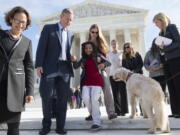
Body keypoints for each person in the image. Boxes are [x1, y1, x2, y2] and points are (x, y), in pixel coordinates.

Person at [35, 8, 76, 135]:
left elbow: (65, 51)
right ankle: (46, 127)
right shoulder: (48, 28)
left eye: (71, 20)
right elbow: (41, 46)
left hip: (64, 69)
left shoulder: (70, 34)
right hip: (50, 68)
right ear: (61, 16)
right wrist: (39, 65)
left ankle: (60, 127)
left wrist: (71, 57)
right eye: (67, 19)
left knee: (63, 100)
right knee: (47, 98)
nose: (69, 22)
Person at [0, 6, 34, 135]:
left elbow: (29, 67)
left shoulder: (27, 42)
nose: (20, 24)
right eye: (17, 20)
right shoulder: (1, 35)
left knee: (14, 129)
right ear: (11, 19)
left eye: (23, 22)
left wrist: (30, 91)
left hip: (16, 90)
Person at [73, 41, 111, 131]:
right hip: (86, 82)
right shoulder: (83, 58)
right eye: (86, 48)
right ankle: (94, 114)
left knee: (94, 99)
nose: (88, 50)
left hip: (97, 81)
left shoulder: (97, 56)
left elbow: (108, 63)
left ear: (93, 48)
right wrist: (74, 60)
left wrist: (103, 64)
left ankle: (96, 123)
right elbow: (75, 66)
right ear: (84, 50)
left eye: (90, 48)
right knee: (85, 98)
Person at [85, 24, 117, 121]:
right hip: (90, 71)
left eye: (96, 32)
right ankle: (93, 113)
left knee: (107, 88)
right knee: (89, 93)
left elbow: (107, 60)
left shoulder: (101, 44)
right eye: (93, 32)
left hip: (100, 70)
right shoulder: (86, 44)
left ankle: (111, 112)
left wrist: (103, 65)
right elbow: (84, 57)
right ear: (90, 32)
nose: (94, 34)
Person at [153, 12, 180, 118]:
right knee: (171, 86)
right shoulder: (160, 34)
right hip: (167, 61)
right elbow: (163, 48)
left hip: (176, 59)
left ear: (162, 20)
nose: (156, 24)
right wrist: (160, 48)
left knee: (178, 84)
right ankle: (175, 111)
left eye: (156, 22)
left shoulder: (171, 27)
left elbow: (178, 42)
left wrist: (165, 47)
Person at [108, 39, 128, 116]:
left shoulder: (121, 52)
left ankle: (124, 111)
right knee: (115, 93)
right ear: (111, 45)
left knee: (123, 92)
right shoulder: (109, 54)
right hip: (112, 75)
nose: (114, 45)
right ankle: (118, 111)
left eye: (115, 44)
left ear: (117, 44)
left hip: (121, 75)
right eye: (112, 44)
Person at [122, 42, 143, 116]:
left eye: (128, 47)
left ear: (131, 47)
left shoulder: (137, 54)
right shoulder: (124, 57)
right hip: (130, 78)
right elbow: (124, 67)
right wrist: (129, 73)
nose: (126, 49)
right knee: (132, 95)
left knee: (141, 94)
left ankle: (143, 111)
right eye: (125, 47)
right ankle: (135, 111)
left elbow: (141, 64)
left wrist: (134, 71)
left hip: (138, 76)